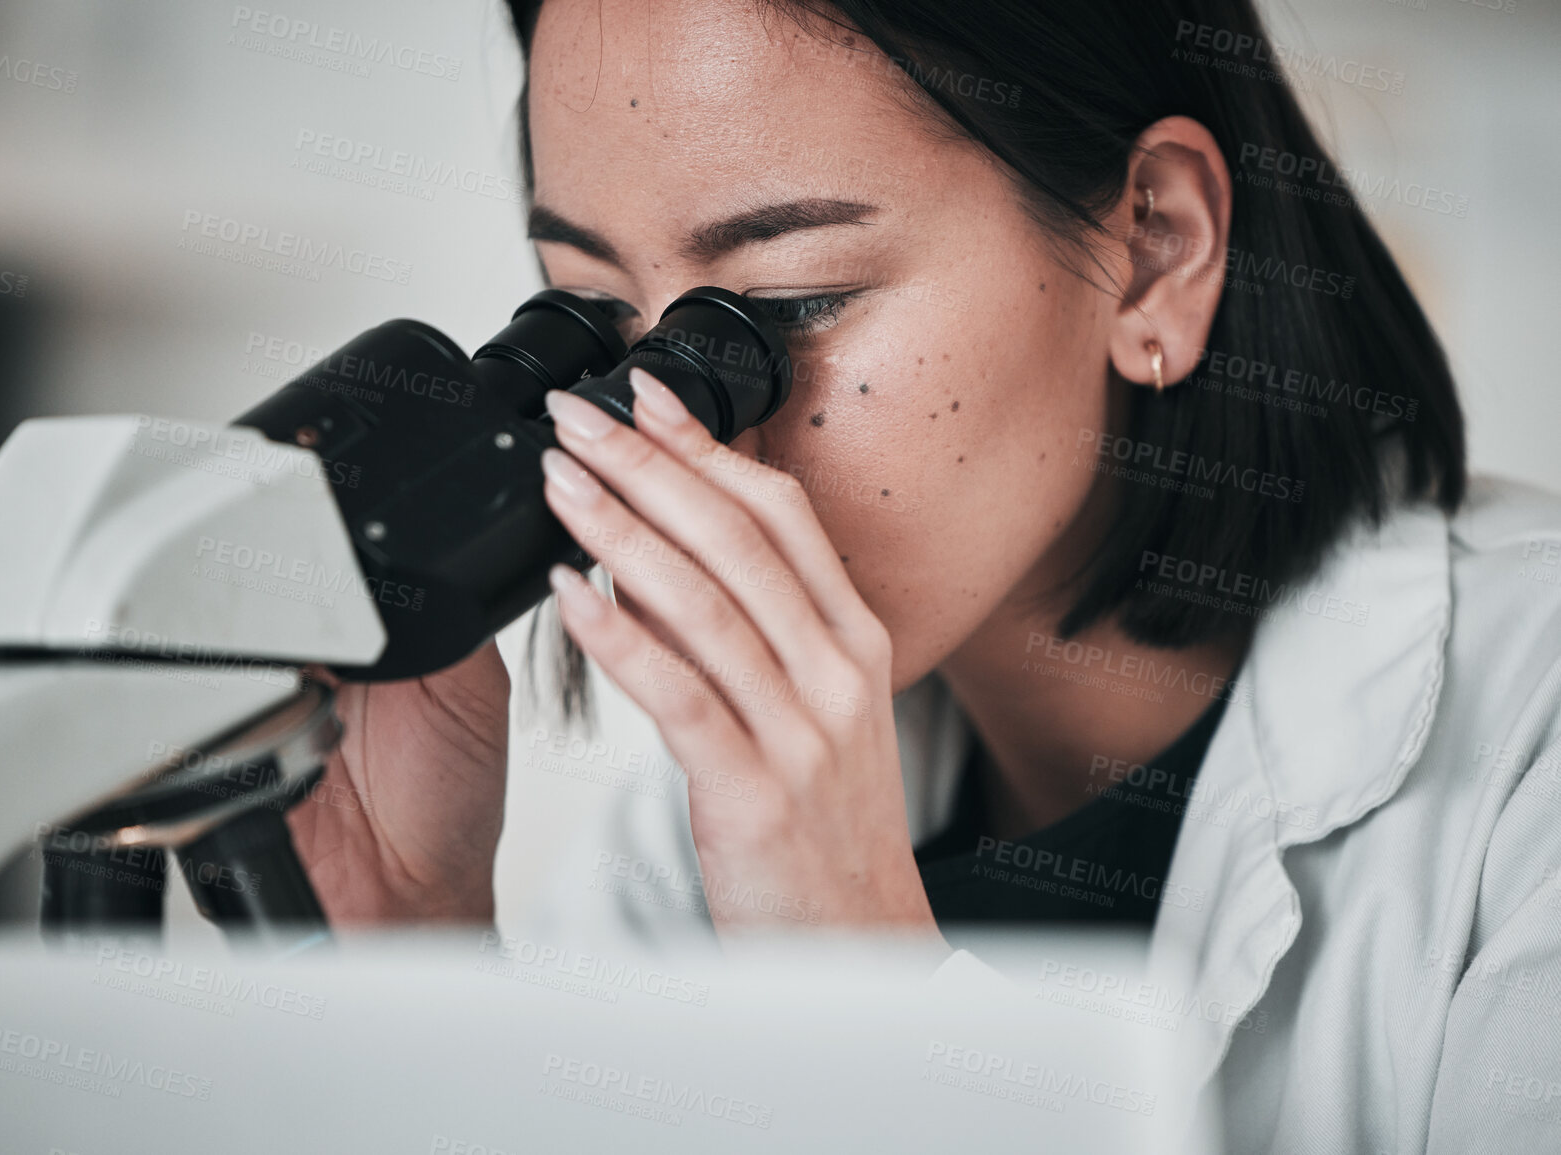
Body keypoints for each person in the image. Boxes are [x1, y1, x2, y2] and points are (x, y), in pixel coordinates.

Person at [286, 1, 1561, 1148]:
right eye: (596, 324)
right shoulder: (682, 836)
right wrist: (415, 958)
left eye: (788, 307)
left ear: (1157, 248)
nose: (675, 433)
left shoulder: (1531, 758)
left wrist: (859, 984)